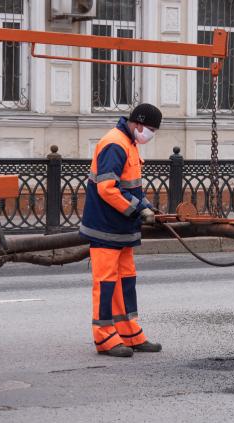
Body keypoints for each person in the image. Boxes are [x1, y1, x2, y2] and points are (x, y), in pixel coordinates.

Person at [79, 103, 163, 357]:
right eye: (149, 129)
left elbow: (131, 186)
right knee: (105, 283)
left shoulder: (128, 143)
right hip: (106, 227)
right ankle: (104, 337)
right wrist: (139, 210)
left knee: (126, 281)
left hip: (121, 228)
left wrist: (148, 206)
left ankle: (129, 332)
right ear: (137, 123)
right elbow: (107, 189)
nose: (150, 134)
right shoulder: (115, 143)